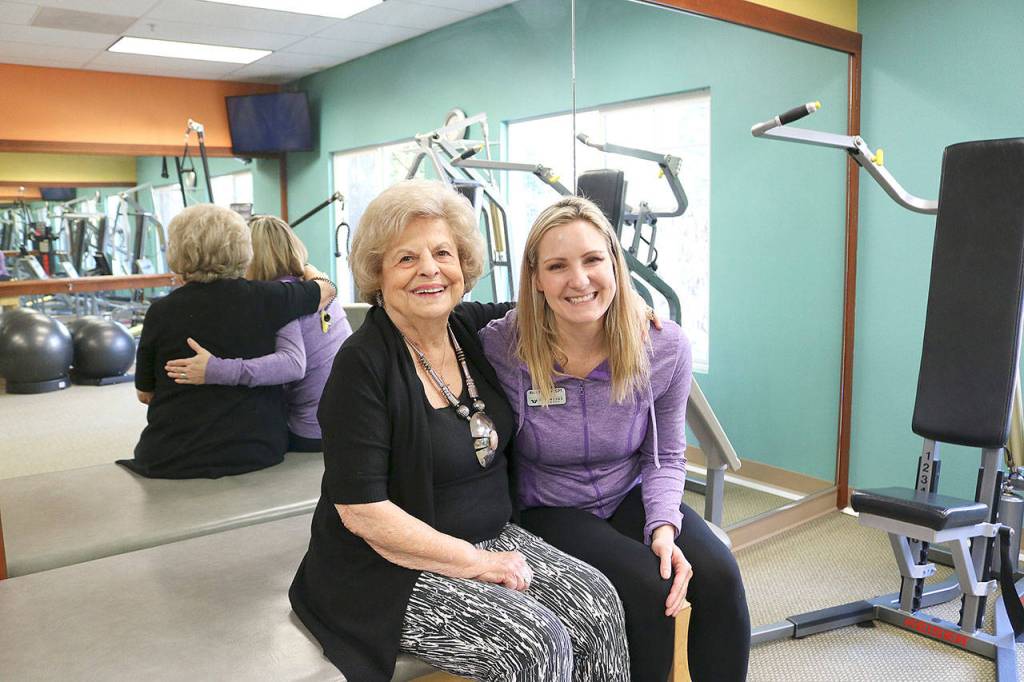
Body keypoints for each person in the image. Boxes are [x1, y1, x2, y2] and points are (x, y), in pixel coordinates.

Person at [288, 180, 630, 682]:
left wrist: (632, 309)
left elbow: (561, 307)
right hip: (388, 567)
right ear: (377, 274)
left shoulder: (472, 329)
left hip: (492, 534)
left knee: (598, 603)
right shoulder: (361, 365)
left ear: (463, 266)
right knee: (533, 643)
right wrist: (474, 562)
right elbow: (363, 513)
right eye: (406, 259)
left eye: (442, 253)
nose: (429, 269)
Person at [479, 195, 751, 682]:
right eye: (557, 266)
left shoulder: (663, 346)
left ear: (614, 263)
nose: (578, 280)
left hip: (628, 492)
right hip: (549, 506)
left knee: (719, 573)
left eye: (592, 260)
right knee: (646, 582)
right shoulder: (503, 344)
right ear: (536, 279)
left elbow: (666, 454)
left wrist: (663, 527)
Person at [120, 204, 336, 479]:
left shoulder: (160, 312)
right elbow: (326, 290)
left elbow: (145, 394)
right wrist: (307, 266)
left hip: (170, 458)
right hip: (259, 451)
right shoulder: (273, 297)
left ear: (176, 251)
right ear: (243, 248)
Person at [162, 215, 351, 452]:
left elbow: (292, 364)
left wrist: (216, 369)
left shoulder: (283, 297)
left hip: (311, 431)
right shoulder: (314, 287)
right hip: (348, 423)